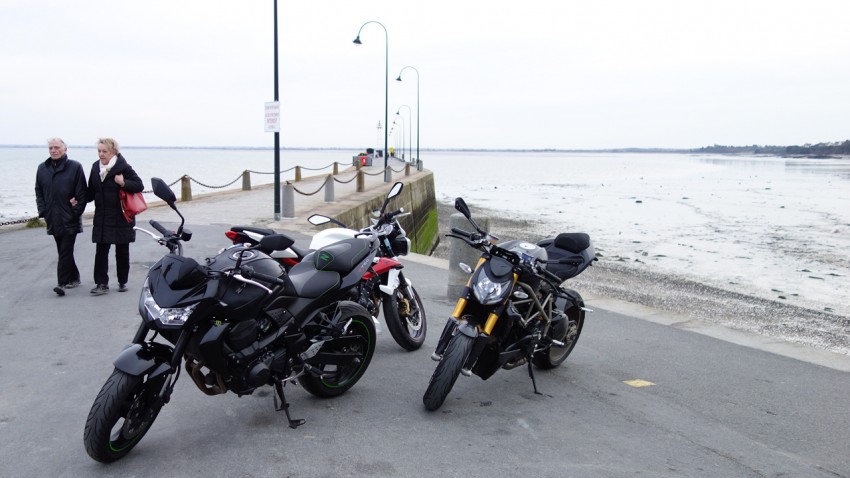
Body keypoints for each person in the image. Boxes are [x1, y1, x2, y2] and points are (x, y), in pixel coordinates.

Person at [85, 138, 144, 295]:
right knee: (101, 251)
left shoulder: (123, 167)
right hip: (102, 216)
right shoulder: (95, 167)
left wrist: (124, 183)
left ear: (113, 152)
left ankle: (122, 281)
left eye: (105, 151)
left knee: (122, 250)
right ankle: (101, 283)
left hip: (121, 216)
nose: (101, 154)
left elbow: (139, 185)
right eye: (99, 151)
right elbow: (91, 191)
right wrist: (78, 198)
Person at [35, 138, 88, 296]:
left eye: (57, 147)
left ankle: (62, 283)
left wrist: (75, 212)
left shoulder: (75, 167)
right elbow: (39, 191)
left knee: (65, 250)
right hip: (52, 217)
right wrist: (43, 211)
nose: (53, 150)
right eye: (50, 148)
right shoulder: (42, 169)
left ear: (65, 149)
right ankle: (74, 277)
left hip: (69, 217)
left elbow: (82, 193)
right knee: (63, 250)